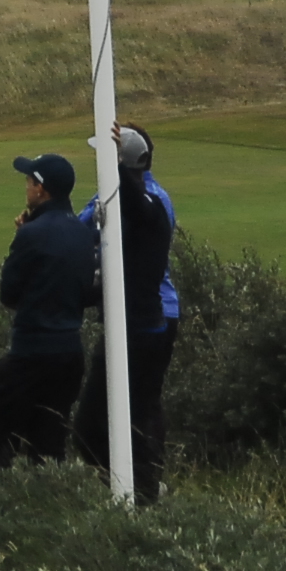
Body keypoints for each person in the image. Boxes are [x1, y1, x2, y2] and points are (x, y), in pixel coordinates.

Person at [72, 121, 180, 503]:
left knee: (140, 412)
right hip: (124, 318)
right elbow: (80, 231)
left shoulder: (153, 200)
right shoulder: (106, 195)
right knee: (96, 423)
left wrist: (117, 165)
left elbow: (139, 211)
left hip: (154, 319)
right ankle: (126, 486)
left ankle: (144, 491)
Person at [0, 150, 97, 474]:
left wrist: (23, 237)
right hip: (69, 354)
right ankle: (48, 504)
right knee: (50, 443)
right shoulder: (83, 234)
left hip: (31, 354)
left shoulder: (30, 234)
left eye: (29, 181)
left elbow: (9, 294)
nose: (26, 187)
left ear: (41, 189)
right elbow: (85, 292)